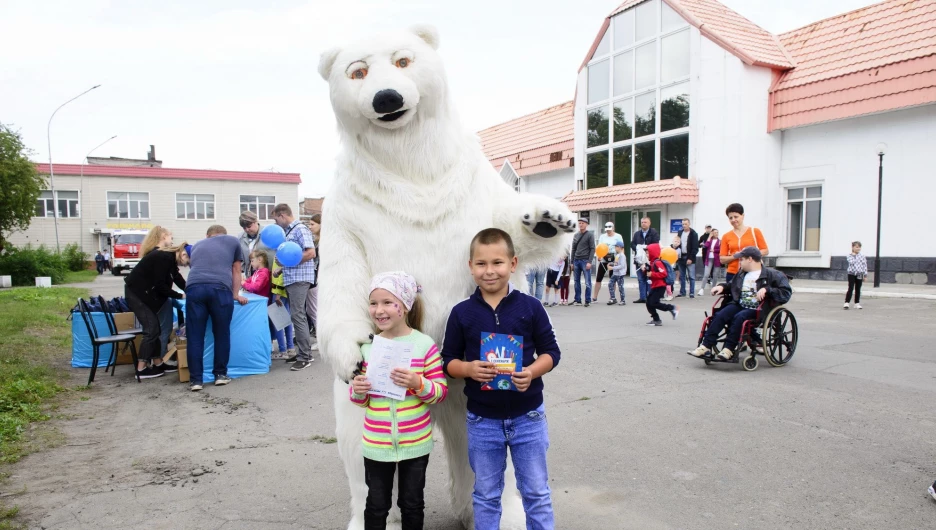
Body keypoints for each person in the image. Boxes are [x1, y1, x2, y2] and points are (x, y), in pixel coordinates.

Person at [441, 228, 560, 529]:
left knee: (536, 492)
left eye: (498, 263)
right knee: (486, 494)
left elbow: (551, 353)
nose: (489, 271)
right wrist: (467, 369)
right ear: (471, 267)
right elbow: (448, 361)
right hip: (482, 421)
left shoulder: (531, 307)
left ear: (513, 264)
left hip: (528, 416)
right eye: (481, 264)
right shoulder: (462, 313)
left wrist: (531, 372)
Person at [349, 271, 448, 530]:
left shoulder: (424, 345)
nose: (379, 310)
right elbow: (360, 400)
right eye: (373, 303)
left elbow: (440, 392)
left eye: (387, 302)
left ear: (404, 306)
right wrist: (358, 389)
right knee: (376, 504)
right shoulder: (366, 347)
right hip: (377, 443)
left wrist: (418, 384)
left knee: (412, 502)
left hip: (415, 442)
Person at [688, 247, 792, 360]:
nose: (739, 262)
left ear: (750, 259)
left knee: (740, 317)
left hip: (759, 309)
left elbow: (785, 293)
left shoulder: (773, 274)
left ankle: (728, 349)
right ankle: (705, 346)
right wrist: (721, 287)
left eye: (741, 259)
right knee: (721, 314)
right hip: (740, 304)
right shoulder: (742, 274)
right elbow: (732, 285)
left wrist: (768, 290)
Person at [185, 225, 247, 391]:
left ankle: (196, 380)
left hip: (194, 288)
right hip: (219, 289)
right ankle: (220, 374)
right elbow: (236, 270)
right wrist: (235, 294)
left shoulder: (197, 245)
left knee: (195, 336)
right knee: (221, 333)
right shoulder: (233, 241)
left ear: (208, 236)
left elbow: (196, 268)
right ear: (224, 234)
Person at [123, 239, 189, 379]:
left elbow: (176, 277)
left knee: (156, 330)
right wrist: (180, 295)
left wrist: (190, 289)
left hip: (144, 294)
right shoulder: (163, 257)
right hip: (137, 294)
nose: (186, 264)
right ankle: (141, 369)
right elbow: (160, 285)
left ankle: (158, 363)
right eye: (187, 261)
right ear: (183, 254)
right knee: (151, 330)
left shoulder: (169, 259)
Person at [271, 203, 317, 371]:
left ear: (282, 215)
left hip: (299, 278)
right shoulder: (291, 231)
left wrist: (285, 263)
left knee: (298, 315)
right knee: (297, 315)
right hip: (293, 278)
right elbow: (292, 256)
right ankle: (302, 353)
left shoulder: (299, 229)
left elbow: (310, 253)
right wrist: (282, 268)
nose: (276, 223)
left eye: (276, 219)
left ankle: (306, 356)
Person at [720, 203, 768, 284]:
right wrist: (735, 256)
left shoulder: (754, 231)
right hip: (733, 274)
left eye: (736, 217)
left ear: (743, 216)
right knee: (733, 296)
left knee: (751, 296)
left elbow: (765, 250)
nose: (733, 220)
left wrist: (748, 254)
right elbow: (722, 259)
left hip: (753, 273)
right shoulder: (726, 236)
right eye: (730, 218)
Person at [642, 243, 679, 326]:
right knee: (648, 302)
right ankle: (656, 319)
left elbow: (663, 274)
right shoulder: (652, 262)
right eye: (646, 253)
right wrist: (645, 270)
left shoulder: (658, 262)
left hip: (660, 286)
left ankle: (672, 308)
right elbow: (649, 273)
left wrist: (652, 274)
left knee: (654, 303)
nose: (647, 255)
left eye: (648, 253)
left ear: (653, 252)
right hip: (654, 286)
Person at [238, 210, 276, 277]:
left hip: (268, 275)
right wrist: (242, 273)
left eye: (249, 226)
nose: (247, 230)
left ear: (256, 222)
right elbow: (241, 257)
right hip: (251, 276)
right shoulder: (240, 237)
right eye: (244, 228)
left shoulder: (268, 233)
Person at [270, 259, 295, 360]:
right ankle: (290, 348)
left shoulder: (279, 254)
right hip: (285, 290)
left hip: (278, 291)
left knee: (278, 321)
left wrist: (278, 295)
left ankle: (282, 350)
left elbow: (280, 275)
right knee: (287, 319)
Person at [631, 217, 660, 303]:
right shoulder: (637, 234)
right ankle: (642, 297)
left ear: (649, 223)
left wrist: (646, 248)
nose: (643, 224)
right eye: (642, 222)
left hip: (649, 259)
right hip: (639, 260)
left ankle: (650, 296)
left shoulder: (654, 233)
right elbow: (632, 244)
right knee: (641, 279)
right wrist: (637, 248)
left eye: (645, 222)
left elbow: (656, 244)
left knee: (649, 278)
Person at [594, 222, 624, 303]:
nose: (608, 232)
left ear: (613, 228)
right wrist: (598, 256)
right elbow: (599, 247)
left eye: (610, 230)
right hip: (604, 259)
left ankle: (612, 297)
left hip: (614, 259)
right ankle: (594, 297)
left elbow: (621, 248)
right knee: (598, 279)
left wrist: (621, 258)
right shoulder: (602, 236)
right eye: (607, 230)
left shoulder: (618, 236)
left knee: (612, 279)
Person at [570, 216, 596, 307]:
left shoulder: (590, 235)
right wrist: (572, 262)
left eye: (583, 223)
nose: (581, 225)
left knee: (587, 282)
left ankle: (587, 300)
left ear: (586, 224)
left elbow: (592, 248)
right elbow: (573, 249)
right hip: (576, 260)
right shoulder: (576, 235)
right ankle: (578, 299)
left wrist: (589, 261)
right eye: (579, 223)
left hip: (585, 261)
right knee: (576, 281)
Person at [676, 218, 699, 299]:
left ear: (689, 224)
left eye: (686, 224)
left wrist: (690, 258)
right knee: (682, 276)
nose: (684, 226)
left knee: (691, 276)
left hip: (689, 257)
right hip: (681, 257)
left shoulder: (693, 234)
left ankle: (691, 293)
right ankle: (682, 292)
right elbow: (677, 243)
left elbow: (695, 248)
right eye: (683, 224)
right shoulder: (680, 233)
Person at [698, 228, 722, 296]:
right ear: (712, 233)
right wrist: (709, 237)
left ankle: (713, 288)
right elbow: (706, 246)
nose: (716, 234)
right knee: (706, 274)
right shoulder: (710, 240)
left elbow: (721, 249)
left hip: (716, 259)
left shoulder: (720, 241)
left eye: (717, 232)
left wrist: (714, 250)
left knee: (715, 275)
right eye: (714, 232)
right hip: (709, 259)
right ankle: (702, 289)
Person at [845, 241, 867, 310]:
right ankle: (847, 302)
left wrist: (865, 275)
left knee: (858, 288)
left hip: (859, 274)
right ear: (853, 247)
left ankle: (857, 303)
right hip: (851, 274)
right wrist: (854, 255)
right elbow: (852, 262)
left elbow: (864, 265)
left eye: (859, 247)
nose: (858, 248)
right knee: (850, 288)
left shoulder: (862, 256)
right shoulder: (849, 256)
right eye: (856, 247)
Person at [607, 240, 627, 305]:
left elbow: (622, 266)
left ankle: (623, 300)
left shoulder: (622, 256)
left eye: (616, 247)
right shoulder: (617, 255)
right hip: (615, 273)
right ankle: (613, 298)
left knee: (620, 287)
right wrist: (611, 264)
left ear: (619, 247)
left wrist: (612, 268)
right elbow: (616, 263)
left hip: (620, 274)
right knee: (610, 284)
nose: (615, 248)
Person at [666, 235, 682, 301]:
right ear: (672, 241)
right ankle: (667, 293)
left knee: (671, 280)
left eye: (678, 242)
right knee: (666, 280)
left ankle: (671, 293)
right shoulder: (668, 248)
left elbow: (678, 258)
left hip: (674, 266)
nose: (676, 243)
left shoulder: (679, 250)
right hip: (667, 265)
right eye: (675, 241)